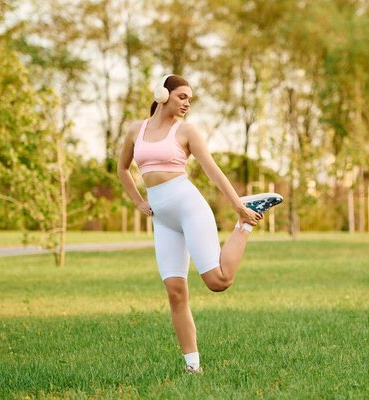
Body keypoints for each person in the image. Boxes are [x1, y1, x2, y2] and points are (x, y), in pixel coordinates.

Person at [117, 74, 283, 374]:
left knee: (219, 282)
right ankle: (193, 367)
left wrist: (239, 207)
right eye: (182, 97)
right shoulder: (135, 130)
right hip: (162, 220)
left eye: (190, 99)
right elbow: (122, 168)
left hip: (188, 207)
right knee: (175, 293)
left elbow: (213, 171)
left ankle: (245, 222)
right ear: (163, 95)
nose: (187, 103)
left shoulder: (187, 132)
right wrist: (137, 200)